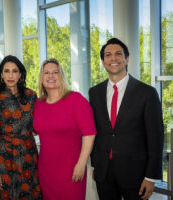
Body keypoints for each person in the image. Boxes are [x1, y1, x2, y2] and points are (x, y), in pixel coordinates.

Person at [89, 38, 164, 200]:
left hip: (135, 173)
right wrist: (96, 164)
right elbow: (96, 131)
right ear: (103, 61)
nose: (113, 59)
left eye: (118, 54)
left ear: (126, 59)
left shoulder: (147, 93)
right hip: (104, 173)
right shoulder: (94, 92)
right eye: (108, 55)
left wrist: (151, 176)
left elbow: (155, 136)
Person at [33, 58, 97, 200]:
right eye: (46, 73)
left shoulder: (76, 100)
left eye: (55, 72)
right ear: (41, 77)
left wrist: (81, 164)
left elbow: (90, 134)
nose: (50, 76)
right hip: (45, 171)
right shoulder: (38, 103)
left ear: (61, 76)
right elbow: (38, 130)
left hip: (71, 169)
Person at [0, 55, 41, 199]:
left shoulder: (31, 96)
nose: (11, 75)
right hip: (5, 159)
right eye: (7, 71)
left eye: (15, 71)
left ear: (20, 74)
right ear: (1, 75)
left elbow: (38, 125)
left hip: (29, 156)